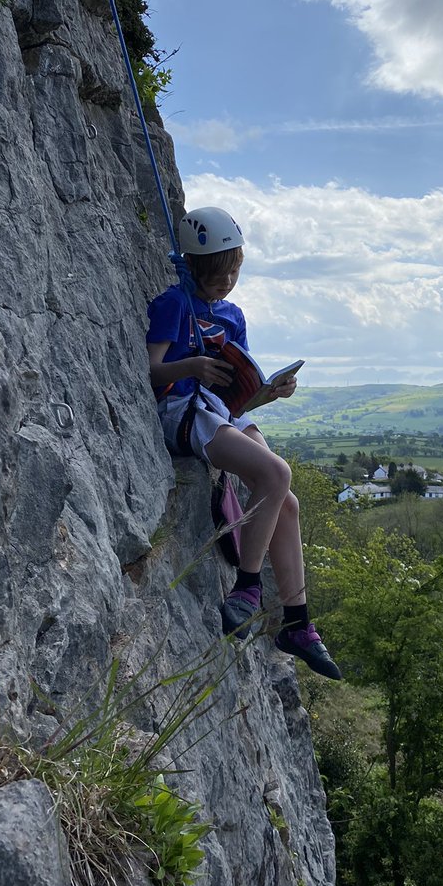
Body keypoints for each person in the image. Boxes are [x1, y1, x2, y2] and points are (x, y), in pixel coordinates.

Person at [146, 206, 341, 680]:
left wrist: (269, 393)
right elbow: (151, 372)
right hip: (185, 411)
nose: (226, 283)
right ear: (191, 266)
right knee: (276, 474)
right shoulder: (174, 304)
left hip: (223, 410)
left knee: (287, 503)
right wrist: (190, 367)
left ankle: (297, 621)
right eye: (216, 275)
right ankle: (247, 585)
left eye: (233, 272)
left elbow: (240, 392)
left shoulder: (232, 316)